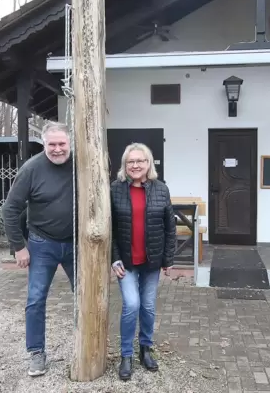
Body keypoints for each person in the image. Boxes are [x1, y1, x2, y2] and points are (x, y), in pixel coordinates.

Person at [2, 121, 76, 378]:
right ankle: (37, 352)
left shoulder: (81, 166)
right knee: (35, 300)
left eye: (61, 143)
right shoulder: (31, 169)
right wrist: (19, 247)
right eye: (51, 144)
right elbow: (10, 209)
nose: (57, 149)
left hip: (77, 245)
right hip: (41, 244)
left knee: (86, 297)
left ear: (70, 142)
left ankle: (85, 344)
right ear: (44, 144)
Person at [110, 142, 176, 381]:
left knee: (147, 307)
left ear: (149, 164)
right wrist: (114, 258)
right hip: (126, 262)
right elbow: (111, 230)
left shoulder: (161, 189)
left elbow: (170, 227)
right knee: (131, 305)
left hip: (151, 262)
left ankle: (145, 349)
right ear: (124, 165)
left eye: (140, 161)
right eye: (131, 161)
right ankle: (126, 354)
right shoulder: (115, 189)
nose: (136, 165)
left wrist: (168, 258)